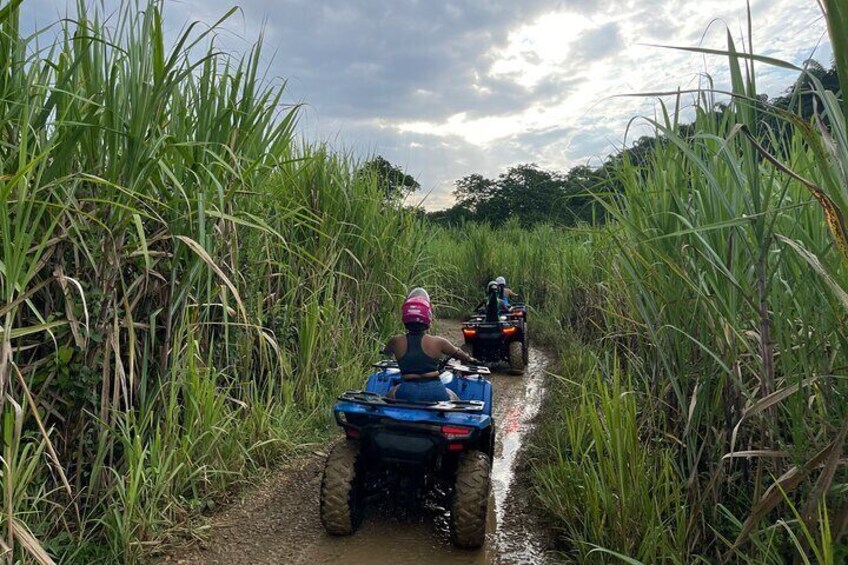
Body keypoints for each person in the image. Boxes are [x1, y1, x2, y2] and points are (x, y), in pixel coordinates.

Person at [383, 288, 478, 402]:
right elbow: (459, 354)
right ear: (428, 316)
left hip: (407, 391)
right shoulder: (439, 342)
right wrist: (470, 358)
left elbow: (385, 353)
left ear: (405, 317)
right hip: (435, 391)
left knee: (388, 397)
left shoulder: (395, 342)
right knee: (455, 399)